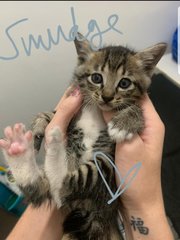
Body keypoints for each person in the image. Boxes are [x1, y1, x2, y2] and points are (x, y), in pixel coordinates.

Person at [7, 87, 174, 240]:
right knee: (49, 192)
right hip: (80, 185)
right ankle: (31, 171)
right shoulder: (85, 98)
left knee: (94, 172)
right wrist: (146, 204)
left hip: (91, 187)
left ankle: (35, 174)